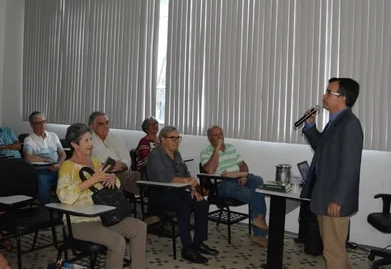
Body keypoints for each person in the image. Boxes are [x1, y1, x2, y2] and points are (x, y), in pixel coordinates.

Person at [57, 123, 147, 269]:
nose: (91, 144)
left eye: (91, 140)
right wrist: (92, 180)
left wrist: (113, 179)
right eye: (86, 141)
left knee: (139, 227)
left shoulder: (95, 162)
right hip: (79, 222)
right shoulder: (67, 167)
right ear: (74, 144)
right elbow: (64, 196)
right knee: (118, 242)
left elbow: (114, 184)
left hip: (103, 217)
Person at [302, 77, 363, 269]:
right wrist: (310, 125)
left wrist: (338, 198)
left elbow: (350, 166)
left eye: (329, 92)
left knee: (332, 252)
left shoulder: (349, 124)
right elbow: (320, 147)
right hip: (325, 194)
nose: (324, 95)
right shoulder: (335, 122)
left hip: (333, 198)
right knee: (336, 250)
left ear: (342, 98)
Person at [147, 126, 218, 264]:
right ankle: (187, 248)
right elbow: (164, 178)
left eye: (177, 138)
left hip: (178, 190)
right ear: (162, 139)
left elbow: (185, 174)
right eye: (172, 138)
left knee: (202, 203)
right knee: (184, 207)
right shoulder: (155, 154)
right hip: (160, 192)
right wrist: (187, 181)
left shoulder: (177, 154)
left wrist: (192, 189)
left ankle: (198, 242)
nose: (176, 141)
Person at [200, 126, 268, 247]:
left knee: (258, 180)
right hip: (223, 184)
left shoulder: (231, 148)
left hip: (239, 177)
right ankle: (259, 232)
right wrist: (217, 149)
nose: (220, 137)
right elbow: (210, 170)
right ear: (210, 138)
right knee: (256, 194)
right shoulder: (206, 152)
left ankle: (258, 221)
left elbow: (243, 164)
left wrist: (244, 175)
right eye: (216, 135)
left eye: (221, 134)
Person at [88, 111, 140, 195]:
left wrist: (122, 165)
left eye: (107, 123)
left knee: (137, 175)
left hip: (120, 172)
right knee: (131, 178)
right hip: (101, 173)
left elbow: (127, 158)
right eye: (101, 124)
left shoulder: (116, 138)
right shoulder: (88, 139)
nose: (106, 126)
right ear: (92, 127)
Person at [23, 111, 66, 204]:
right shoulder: (29, 139)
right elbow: (28, 157)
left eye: (43, 122)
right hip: (41, 170)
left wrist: (59, 163)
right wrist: (45, 160)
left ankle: (66, 205)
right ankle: (45, 207)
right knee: (43, 179)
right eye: (38, 123)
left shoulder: (53, 136)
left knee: (69, 174)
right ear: (32, 125)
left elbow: (63, 153)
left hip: (57, 167)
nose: (42, 125)